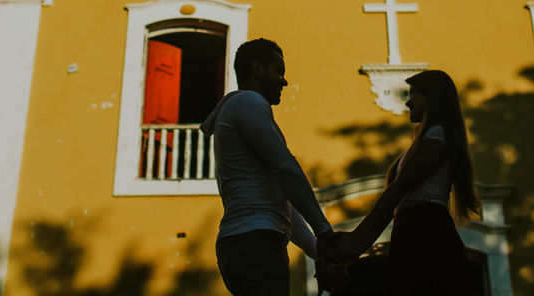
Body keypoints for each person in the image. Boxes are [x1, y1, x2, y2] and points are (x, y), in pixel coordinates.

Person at [322, 69, 481, 296]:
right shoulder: (424, 140)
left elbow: (400, 187)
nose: (408, 102)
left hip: (427, 235)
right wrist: (353, 252)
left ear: (432, 96)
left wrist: (356, 237)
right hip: (411, 233)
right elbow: (392, 206)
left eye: (414, 93)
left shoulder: (438, 133)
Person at [201, 38, 338, 296]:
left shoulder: (239, 107)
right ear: (257, 68)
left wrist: (315, 248)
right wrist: (324, 231)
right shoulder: (248, 102)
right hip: (257, 243)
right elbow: (285, 167)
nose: (284, 81)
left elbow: (279, 199)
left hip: (249, 242)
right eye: (279, 70)